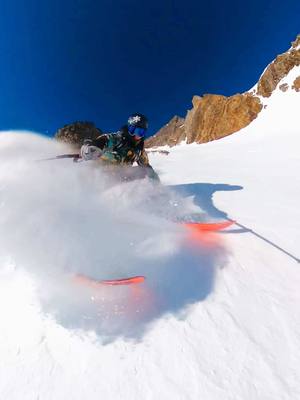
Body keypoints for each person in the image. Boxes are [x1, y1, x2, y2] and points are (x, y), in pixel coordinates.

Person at [80, 113, 159, 181]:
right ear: (128, 129)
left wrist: (157, 184)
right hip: (101, 174)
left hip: (121, 177)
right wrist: (95, 145)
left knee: (143, 171)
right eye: (132, 130)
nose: (135, 135)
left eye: (140, 132)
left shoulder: (140, 151)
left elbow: (147, 167)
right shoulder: (120, 138)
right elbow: (106, 139)